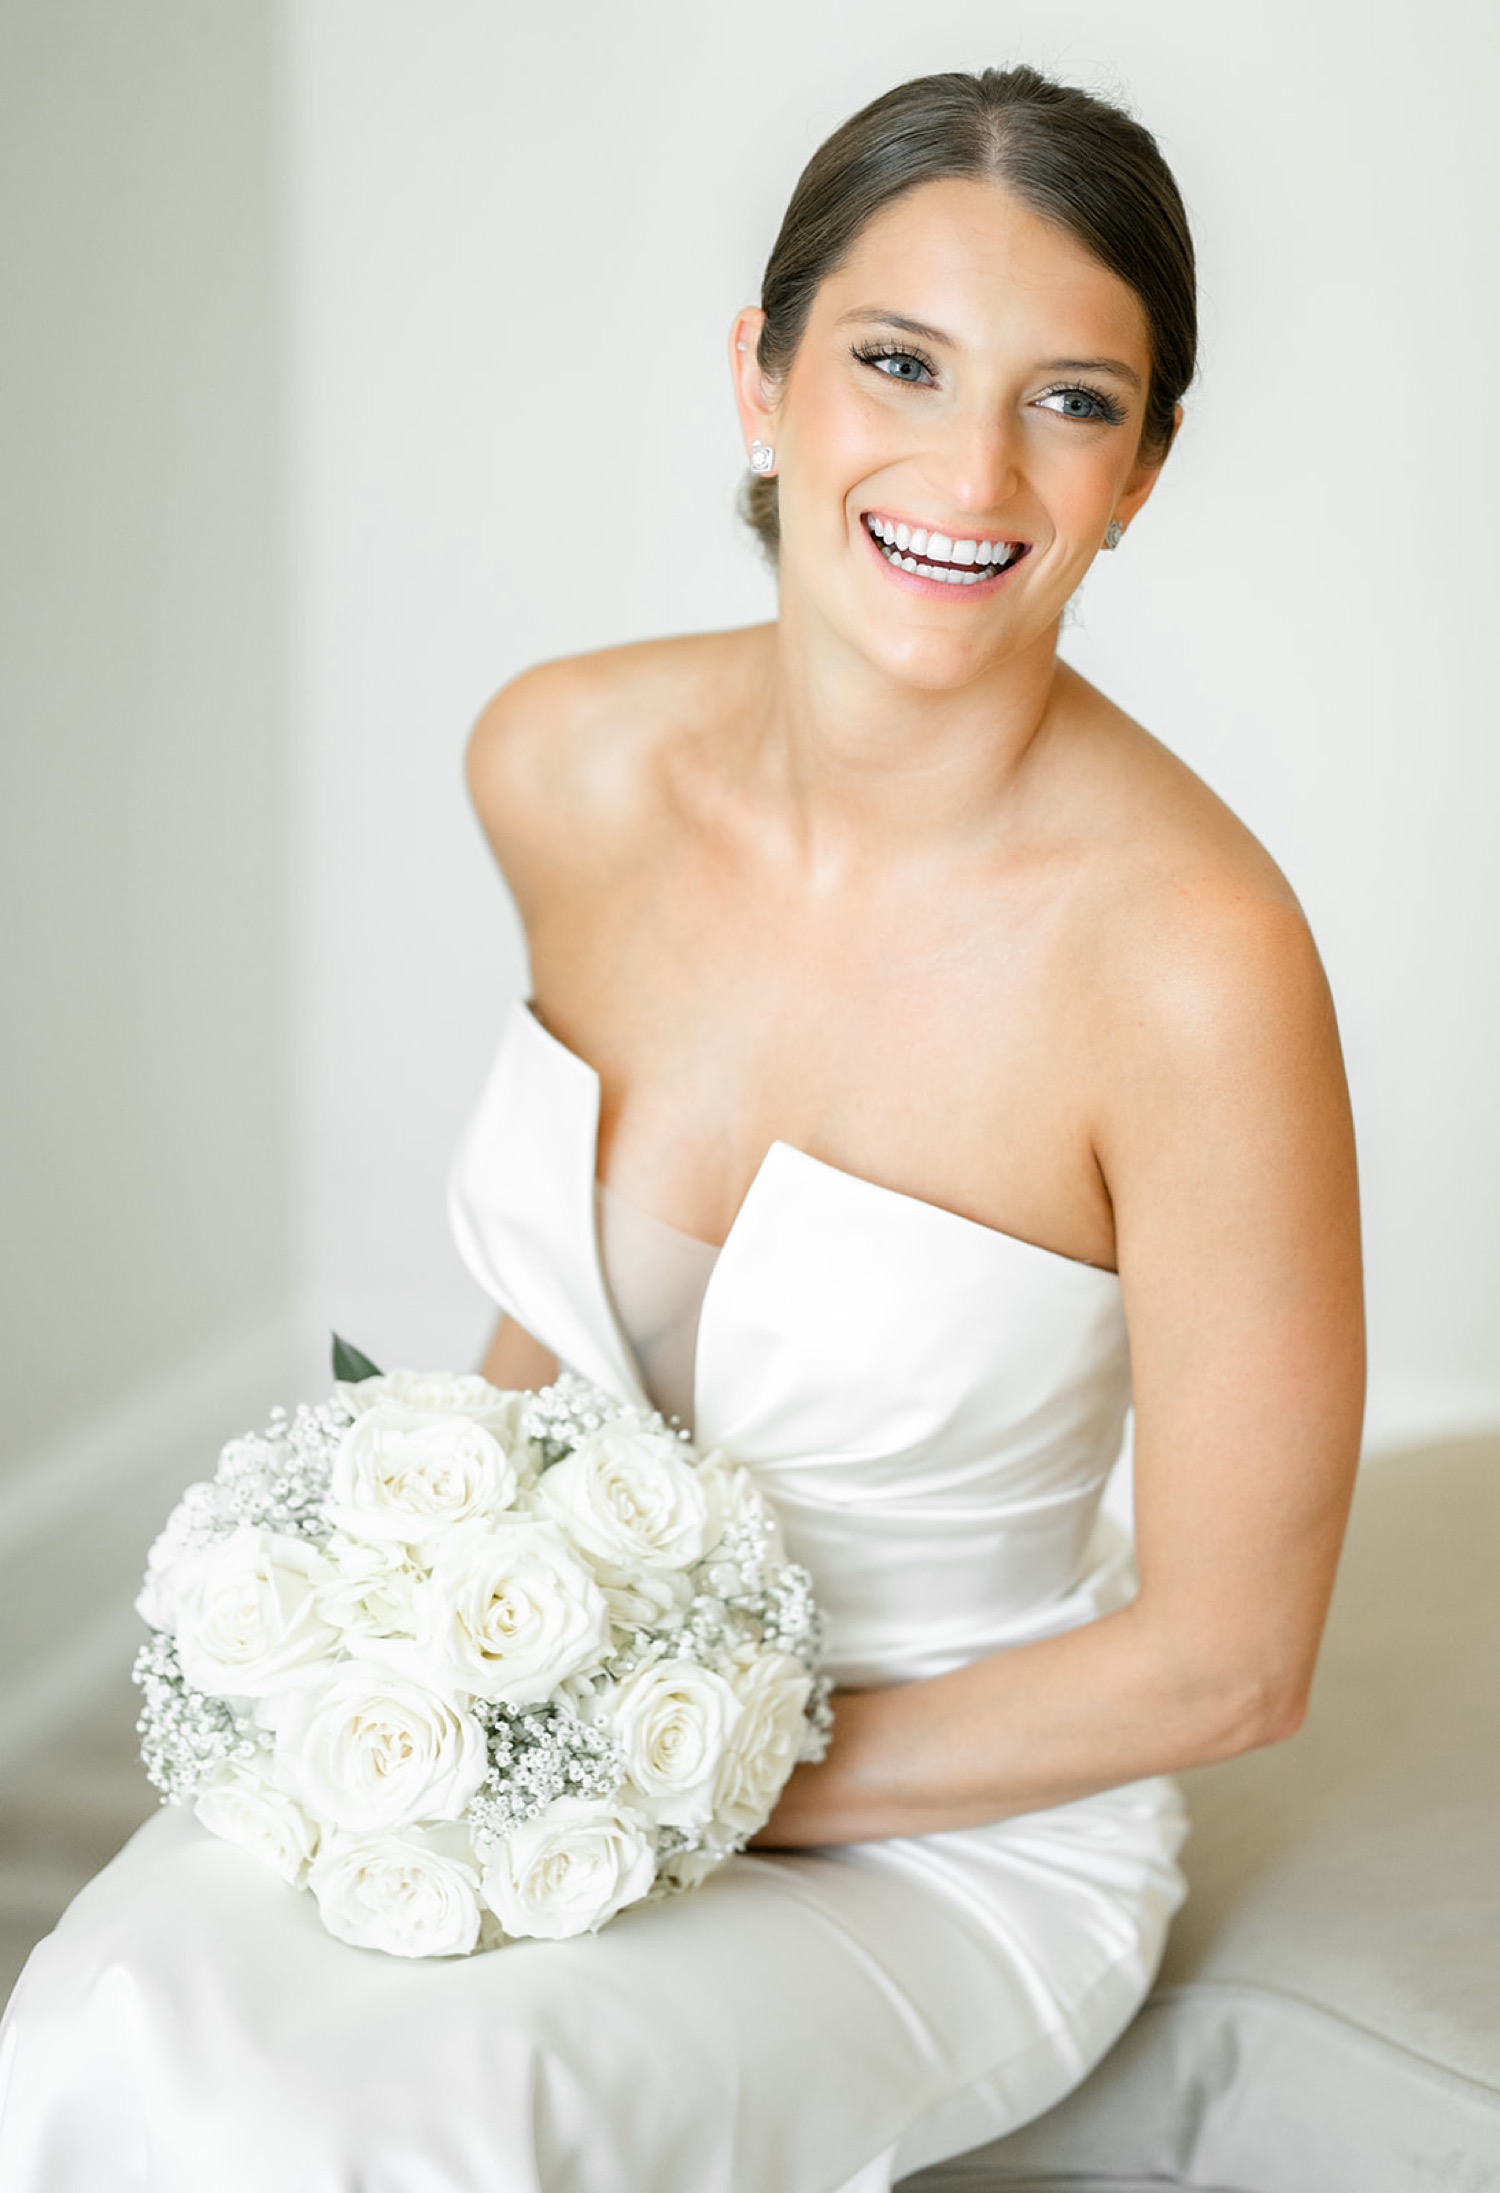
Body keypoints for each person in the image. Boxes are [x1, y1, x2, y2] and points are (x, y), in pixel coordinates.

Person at [0, 64, 1364, 2191]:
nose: (971, 464)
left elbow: (1228, 1661)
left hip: (949, 1841)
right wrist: (436, 1658)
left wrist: (651, 1780)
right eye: (897, 360)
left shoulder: (1196, 962)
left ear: (1146, 470)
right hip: (528, 1715)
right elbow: (569, 1338)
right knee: (100, 2026)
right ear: (763, 377)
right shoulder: (561, 759)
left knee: (394, 2120)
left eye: (1072, 401)